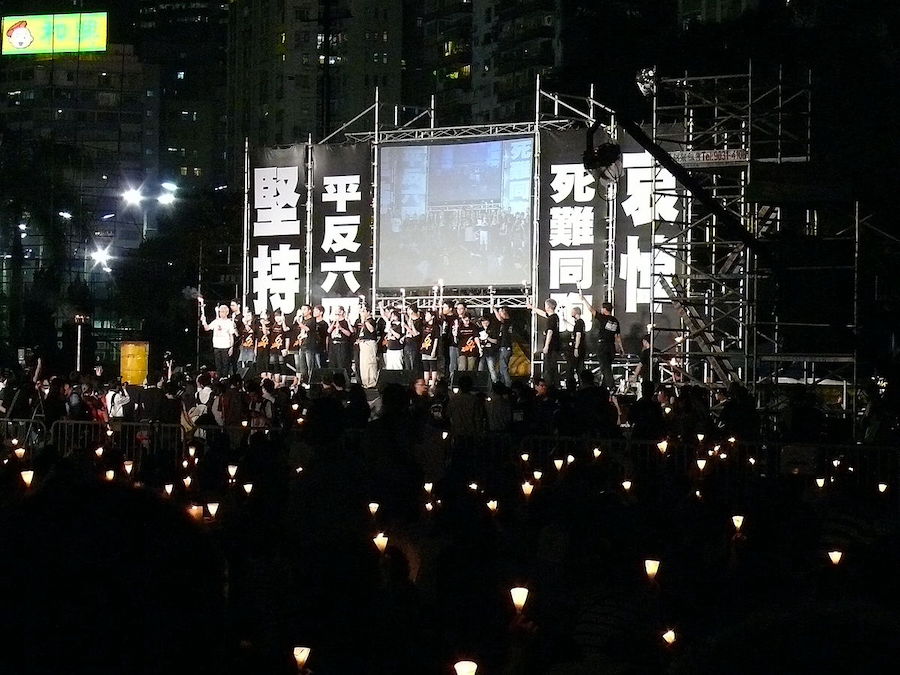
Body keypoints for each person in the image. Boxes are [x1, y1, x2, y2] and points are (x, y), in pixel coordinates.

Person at [581, 297, 624, 391]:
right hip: (611, 347)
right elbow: (617, 336)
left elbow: (591, 310)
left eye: (602, 308)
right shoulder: (615, 321)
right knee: (606, 367)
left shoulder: (603, 318)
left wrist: (584, 300)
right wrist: (621, 348)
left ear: (605, 309)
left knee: (605, 367)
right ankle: (604, 388)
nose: (601, 309)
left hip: (603, 346)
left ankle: (612, 386)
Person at [199, 299, 237, 378]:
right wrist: (204, 321)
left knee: (225, 366)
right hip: (217, 347)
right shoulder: (216, 321)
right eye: (220, 311)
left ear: (227, 312)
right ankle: (219, 380)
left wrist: (231, 347)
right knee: (218, 366)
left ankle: (225, 380)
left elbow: (231, 335)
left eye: (223, 312)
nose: (221, 313)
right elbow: (207, 328)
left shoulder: (229, 322)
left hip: (225, 347)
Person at [527, 298, 560, 388]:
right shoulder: (554, 317)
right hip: (554, 347)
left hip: (551, 347)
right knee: (552, 367)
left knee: (549, 368)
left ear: (548, 307)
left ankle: (549, 386)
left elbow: (550, 332)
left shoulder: (552, 319)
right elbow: (543, 313)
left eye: (545, 305)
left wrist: (546, 346)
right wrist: (532, 308)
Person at [356, 305, 379, 388]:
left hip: (369, 344)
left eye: (364, 311)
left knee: (370, 363)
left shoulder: (371, 320)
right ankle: (365, 382)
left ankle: (372, 382)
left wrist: (365, 320)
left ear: (368, 312)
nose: (362, 313)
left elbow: (371, 330)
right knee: (363, 364)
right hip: (363, 344)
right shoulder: (363, 322)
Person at [328, 306, 353, 375]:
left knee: (342, 364)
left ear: (342, 312)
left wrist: (340, 328)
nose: (336, 312)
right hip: (333, 345)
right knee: (333, 364)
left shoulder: (346, 322)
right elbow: (329, 331)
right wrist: (334, 322)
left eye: (337, 311)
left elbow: (349, 333)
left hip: (342, 345)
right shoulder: (333, 322)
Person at [493, 305, 514, 387]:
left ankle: (508, 385)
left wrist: (494, 309)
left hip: (505, 347)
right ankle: (503, 384)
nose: (499, 313)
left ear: (504, 312)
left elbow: (500, 319)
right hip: (506, 347)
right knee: (502, 368)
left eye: (500, 311)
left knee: (503, 368)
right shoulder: (509, 322)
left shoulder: (507, 321)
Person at [420, 307, 440, 387]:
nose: (426, 317)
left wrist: (434, 350)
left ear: (432, 317)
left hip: (431, 349)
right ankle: (426, 383)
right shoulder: (424, 326)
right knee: (426, 368)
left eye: (428, 315)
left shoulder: (436, 327)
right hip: (424, 349)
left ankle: (433, 384)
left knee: (433, 367)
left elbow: (436, 339)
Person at [567, 305, 586, 389]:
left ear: (576, 312)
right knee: (579, 368)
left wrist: (576, 348)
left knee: (573, 367)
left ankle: (572, 386)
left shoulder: (579, 323)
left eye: (572, 311)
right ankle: (581, 385)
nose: (571, 313)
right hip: (580, 348)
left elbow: (578, 335)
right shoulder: (580, 323)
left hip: (578, 348)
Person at [478, 314, 500, 383]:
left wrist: (487, 337)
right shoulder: (479, 330)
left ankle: (495, 383)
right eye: (483, 322)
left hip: (490, 352)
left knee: (491, 369)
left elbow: (496, 341)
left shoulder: (492, 329)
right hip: (482, 352)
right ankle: (480, 383)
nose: (485, 323)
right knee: (480, 368)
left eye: (486, 321)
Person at [404, 305, 424, 378]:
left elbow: (416, 334)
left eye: (408, 310)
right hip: (408, 343)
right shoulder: (410, 320)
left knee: (413, 364)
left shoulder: (419, 322)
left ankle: (414, 379)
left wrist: (407, 327)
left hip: (414, 345)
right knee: (407, 364)